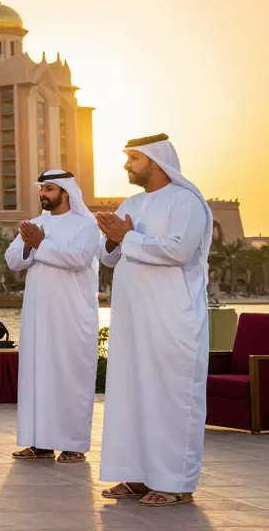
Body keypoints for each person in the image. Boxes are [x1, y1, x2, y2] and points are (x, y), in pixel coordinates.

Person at [96, 134, 212, 508]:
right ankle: (136, 476)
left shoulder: (187, 202)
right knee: (131, 395)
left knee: (170, 398)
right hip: (132, 321)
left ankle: (176, 482)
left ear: (155, 161)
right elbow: (109, 257)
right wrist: (114, 241)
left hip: (171, 318)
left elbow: (179, 250)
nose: (126, 166)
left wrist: (127, 237)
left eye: (133, 159)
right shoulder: (131, 202)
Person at [4, 170, 99, 464]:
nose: (43, 194)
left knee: (70, 376)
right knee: (38, 376)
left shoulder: (87, 225)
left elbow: (79, 259)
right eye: (41, 189)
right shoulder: (34, 224)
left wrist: (40, 245)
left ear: (65, 192)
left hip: (72, 314)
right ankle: (39, 442)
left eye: (49, 189)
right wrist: (32, 243)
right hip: (38, 315)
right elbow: (12, 260)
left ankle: (73, 444)